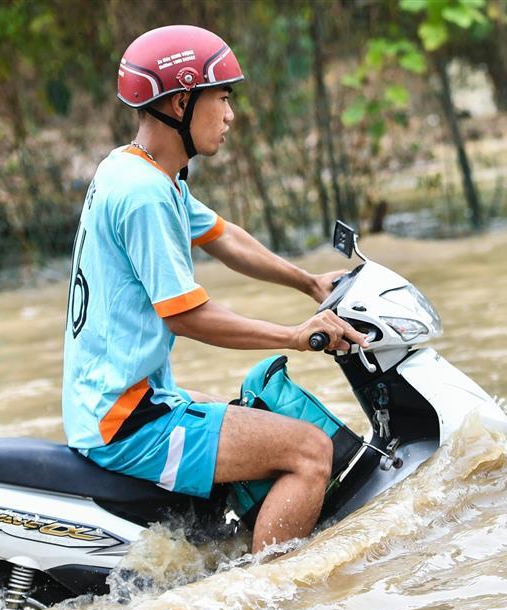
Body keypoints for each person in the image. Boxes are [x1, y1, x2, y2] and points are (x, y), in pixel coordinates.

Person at [62, 25, 366, 553]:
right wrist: (295, 336)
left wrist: (309, 282)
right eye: (222, 98)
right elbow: (187, 316)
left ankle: (223, 549)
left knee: (237, 410)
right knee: (311, 451)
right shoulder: (145, 195)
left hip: (108, 402)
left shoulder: (135, 170)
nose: (230, 115)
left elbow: (224, 237)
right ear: (182, 102)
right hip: (127, 421)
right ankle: (269, 594)